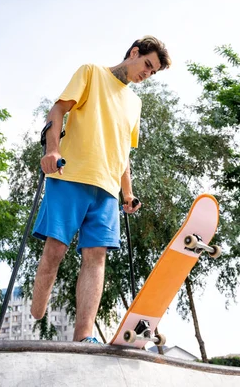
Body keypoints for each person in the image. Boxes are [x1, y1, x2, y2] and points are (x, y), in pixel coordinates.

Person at [30, 36, 171, 344]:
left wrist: (128, 193)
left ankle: (84, 336)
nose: (147, 74)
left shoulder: (135, 103)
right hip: (71, 175)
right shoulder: (91, 72)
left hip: (106, 189)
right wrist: (52, 150)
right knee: (55, 250)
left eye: (153, 72)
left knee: (97, 256)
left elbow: (124, 153)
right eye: (147, 64)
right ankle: (37, 310)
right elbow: (57, 110)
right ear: (134, 53)